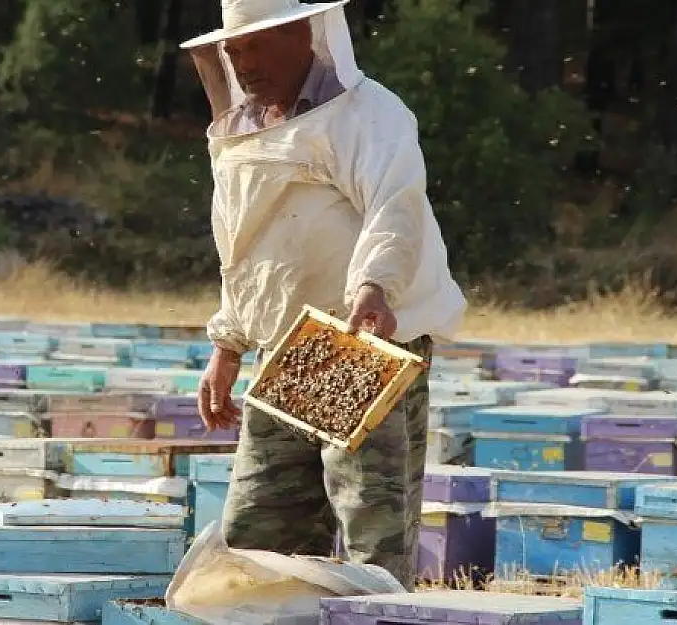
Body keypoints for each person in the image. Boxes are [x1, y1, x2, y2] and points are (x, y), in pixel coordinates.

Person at [182, 0, 467, 590]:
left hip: (362, 343)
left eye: (258, 46)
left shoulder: (369, 114)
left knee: (371, 533)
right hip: (287, 353)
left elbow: (395, 206)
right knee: (258, 535)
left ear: (302, 34)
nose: (245, 63)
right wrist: (228, 343)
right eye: (235, 51)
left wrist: (374, 286)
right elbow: (245, 247)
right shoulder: (244, 129)